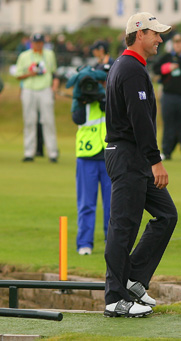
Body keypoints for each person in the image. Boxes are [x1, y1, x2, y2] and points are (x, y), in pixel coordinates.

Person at [103, 12, 178, 318]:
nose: (160, 39)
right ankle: (115, 296)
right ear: (140, 33)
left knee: (166, 215)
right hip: (129, 155)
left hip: (132, 156)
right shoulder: (131, 69)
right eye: (156, 34)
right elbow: (140, 122)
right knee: (124, 225)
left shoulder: (130, 67)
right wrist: (155, 161)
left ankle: (133, 278)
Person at [66, 65, 111, 256]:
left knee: (113, 205)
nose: (98, 85)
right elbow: (77, 118)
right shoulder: (82, 98)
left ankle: (113, 242)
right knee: (86, 204)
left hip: (109, 156)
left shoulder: (111, 97)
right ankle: (84, 243)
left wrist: (104, 97)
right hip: (86, 156)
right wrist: (80, 98)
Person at [153, 33, 181, 162]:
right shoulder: (167, 57)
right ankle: (166, 152)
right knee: (168, 125)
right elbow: (156, 69)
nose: (178, 45)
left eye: (180, 42)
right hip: (168, 96)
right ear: (173, 44)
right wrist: (167, 68)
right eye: (176, 42)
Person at [15, 33, 59, 163]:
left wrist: (54, 88)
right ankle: (29, 152)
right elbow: (18, 75)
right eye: (36, 42)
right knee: (29, 121)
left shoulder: (49, 54)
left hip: (45, 89)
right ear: (31, 43)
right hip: (29, 89)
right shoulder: (24, 56)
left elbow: (53, 72)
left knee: (48, 121)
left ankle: (53, 152)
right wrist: (31, 73)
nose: (38, 45)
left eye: (40, 42)